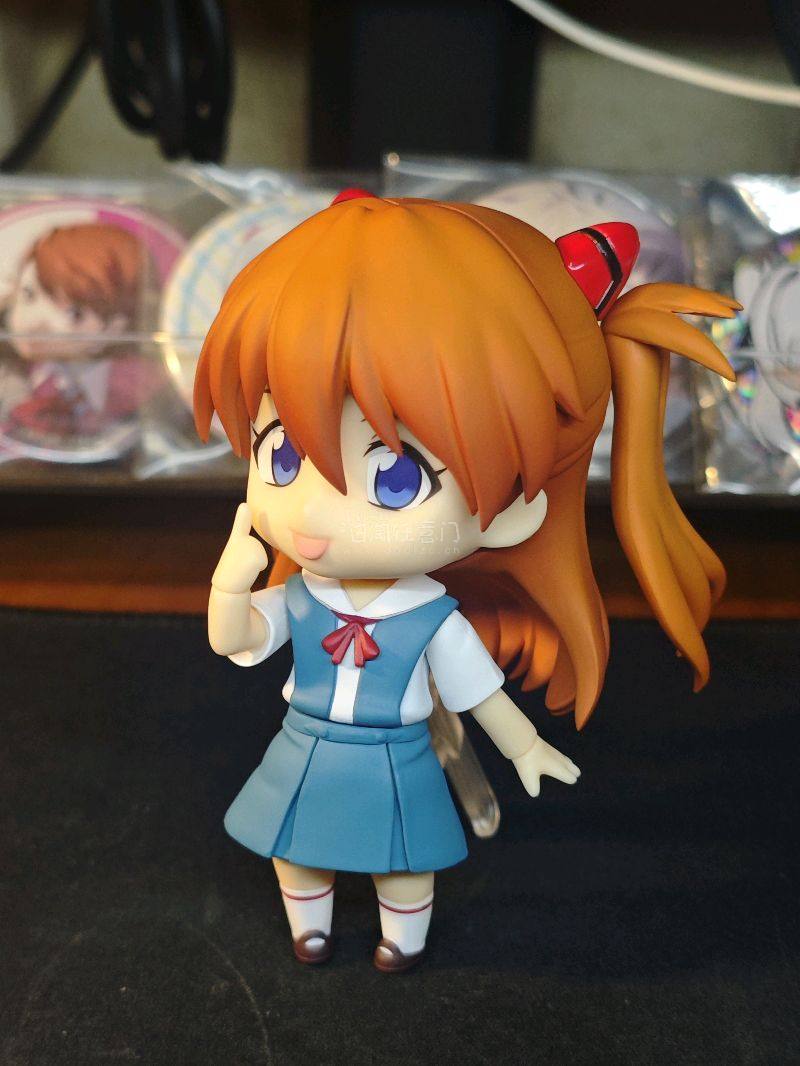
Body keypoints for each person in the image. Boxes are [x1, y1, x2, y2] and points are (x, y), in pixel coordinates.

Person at [194, 192, 738, 972]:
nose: (311, 511)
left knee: (402, 859)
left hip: (394, 756)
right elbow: (235, 639)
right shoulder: (305, 597)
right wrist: (228, 585)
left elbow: (479, 694)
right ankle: (308, 927)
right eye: (281, 453)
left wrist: (525, 747)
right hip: (306, 748)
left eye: (395, 479)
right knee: (295, 847)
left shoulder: (431, 618)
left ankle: (402, 939)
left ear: (512, 511)